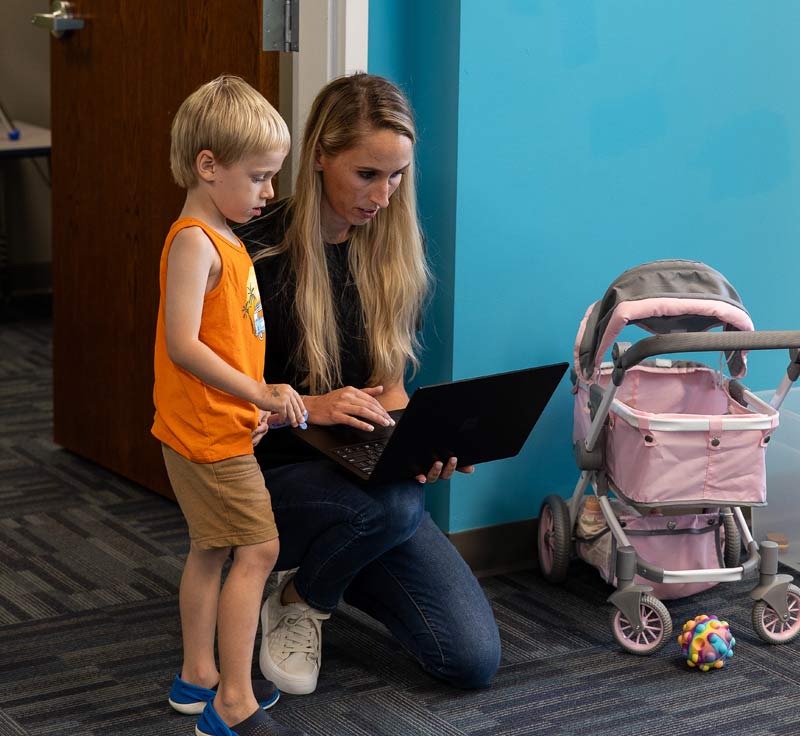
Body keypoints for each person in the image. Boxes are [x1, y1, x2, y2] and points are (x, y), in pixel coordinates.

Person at [236, 73, 501, 697]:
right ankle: (300, 599)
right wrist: (311, 407)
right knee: (391, 505)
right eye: (367, 174)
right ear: (320, 155)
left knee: (470, 658)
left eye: (397, 175)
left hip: (362, 485)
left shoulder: (388, 252)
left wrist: (417, 445)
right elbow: (219, 403)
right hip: (266, 476)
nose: (384, 194)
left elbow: (389, 390)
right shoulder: (252, 253)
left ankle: (329, 568)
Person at [152, 75, 307, 736]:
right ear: (207, 166)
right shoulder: (194, 240)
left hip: (221, 425)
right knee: (259, 551)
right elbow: (182, 345)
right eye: (260, 177)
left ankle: (199, 676)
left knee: (213, 550)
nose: (269, 192)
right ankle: (233, 704)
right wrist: (259, 393)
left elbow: (228, 340)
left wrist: (256, 406)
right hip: (206, 435)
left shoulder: (227, 235)